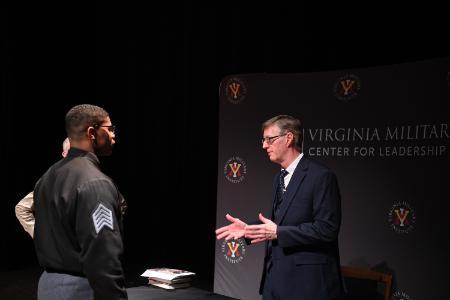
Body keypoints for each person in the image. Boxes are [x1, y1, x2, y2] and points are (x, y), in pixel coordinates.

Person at [216, 115, 344, 300]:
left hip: (307, 286)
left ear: (289, 138)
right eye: (263, 140)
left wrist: (279, 233)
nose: (264, 145)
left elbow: (327, 229)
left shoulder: (321, 176)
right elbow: (280, 222)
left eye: (270, 139)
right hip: (275, 281)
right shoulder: (279, 178)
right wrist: (249, 230)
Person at [33, 104, 127, 299]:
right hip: (80, 289)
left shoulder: (47, 176)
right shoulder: (95, 182)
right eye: (110, 129)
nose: (113, 135)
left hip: (47, 286)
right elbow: (103, 255)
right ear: (92, 132)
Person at [15, 138, 71, 238]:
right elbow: (22, 208)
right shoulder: (53, 179)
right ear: (64, 154)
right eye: (71, 152)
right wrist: (43, 238)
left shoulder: (91, 175)